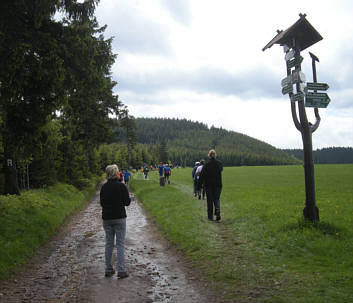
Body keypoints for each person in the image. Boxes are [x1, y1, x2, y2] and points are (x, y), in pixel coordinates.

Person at [100, 164, 131, 278]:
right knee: (120, 244)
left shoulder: (104, 187)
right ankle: (121, 270)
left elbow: (102, 203)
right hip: (119, 217)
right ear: (115, 173)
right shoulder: (121, 186)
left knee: (109, 243)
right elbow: (127, 202)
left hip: (107, 218)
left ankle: (108, 269)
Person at [200, 150, 223, 221]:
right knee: (217, 198)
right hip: (218, 185)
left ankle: (210, 217)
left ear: (209, 155)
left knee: (209, 201)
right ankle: (218, 210)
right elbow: (221, 170)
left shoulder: (206, 165)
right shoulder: (219, 163)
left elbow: (202, 176)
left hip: (209, 185)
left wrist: (198, 186)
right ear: (215, 155)